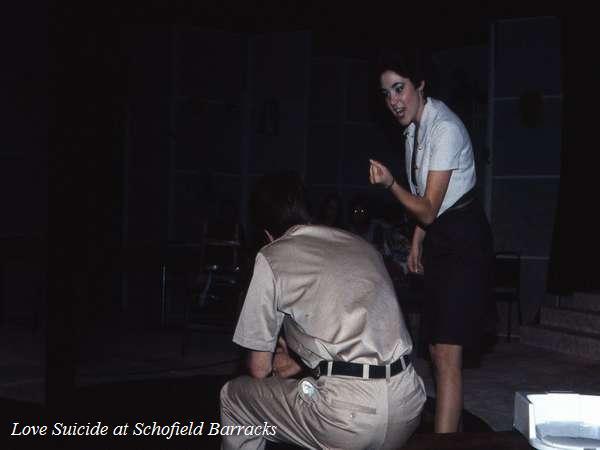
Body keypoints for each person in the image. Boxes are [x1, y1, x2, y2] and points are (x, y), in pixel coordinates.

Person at [220, 172, 426, 450]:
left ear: (267, 234)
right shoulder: (362, 245)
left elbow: (259, 369)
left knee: (234, 398)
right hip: (409, 403)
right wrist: (297, 359)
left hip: (348, 419)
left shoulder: (271, 255)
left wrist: (275, 358)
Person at [368, 51, 493, 433]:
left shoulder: (446, 129)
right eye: (387, 93)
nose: (394, 100)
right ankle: (445, 434)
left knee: (447, 355)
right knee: (437, 352)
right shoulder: (414, 130)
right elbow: (429, 199)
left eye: (400, 88)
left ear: (421, 86)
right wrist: (419, 242)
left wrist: (391, 185)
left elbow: (426, 207)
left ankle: (445, 441)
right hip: (441, 236)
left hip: (465, 242)